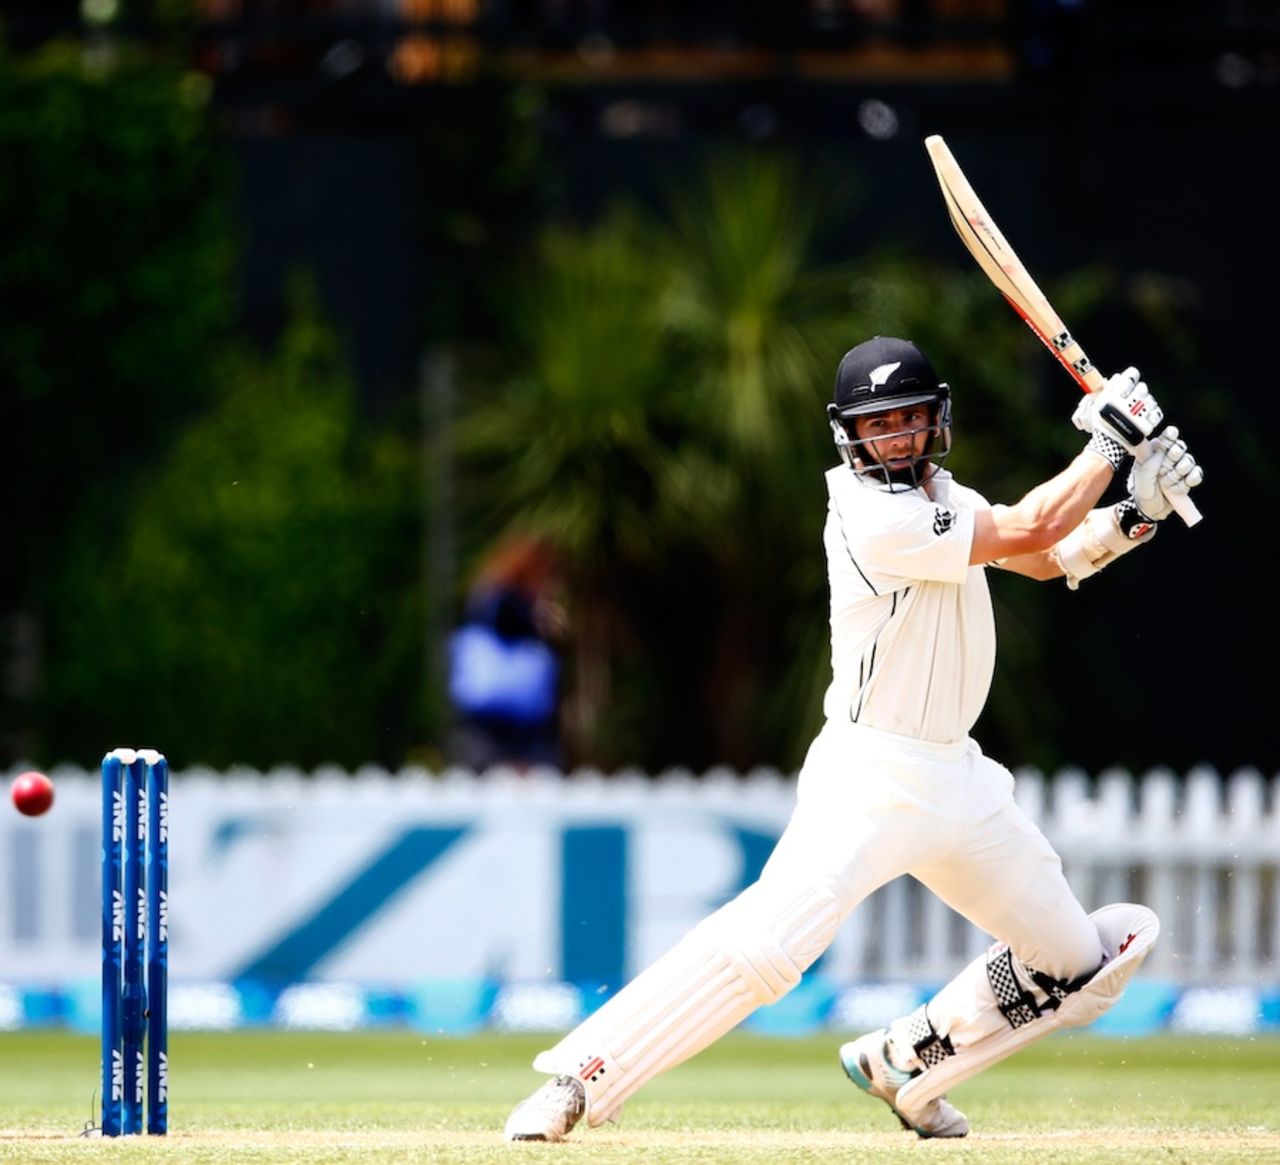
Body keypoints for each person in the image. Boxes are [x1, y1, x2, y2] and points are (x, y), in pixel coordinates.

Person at [501, 336, 1204, 1141]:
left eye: (911, 419)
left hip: (959, 779)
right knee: (769, 945)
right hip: (870, 775)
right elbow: (1030, 522)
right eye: (882, 425)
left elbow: (1042, 556)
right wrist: (1110, 444)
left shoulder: (942, 491)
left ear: (936, 419)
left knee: (1085, 962)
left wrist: (1133, 513)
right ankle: (580, 1078)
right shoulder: (871, 516)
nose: (900, 437)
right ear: (851, 434)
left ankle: (910, 1059)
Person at [447, 534, 567, 772]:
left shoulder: (490, 594)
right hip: (494, 732)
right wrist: (538, 621)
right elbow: (504, 618)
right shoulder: (503, 598)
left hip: (513, 727)